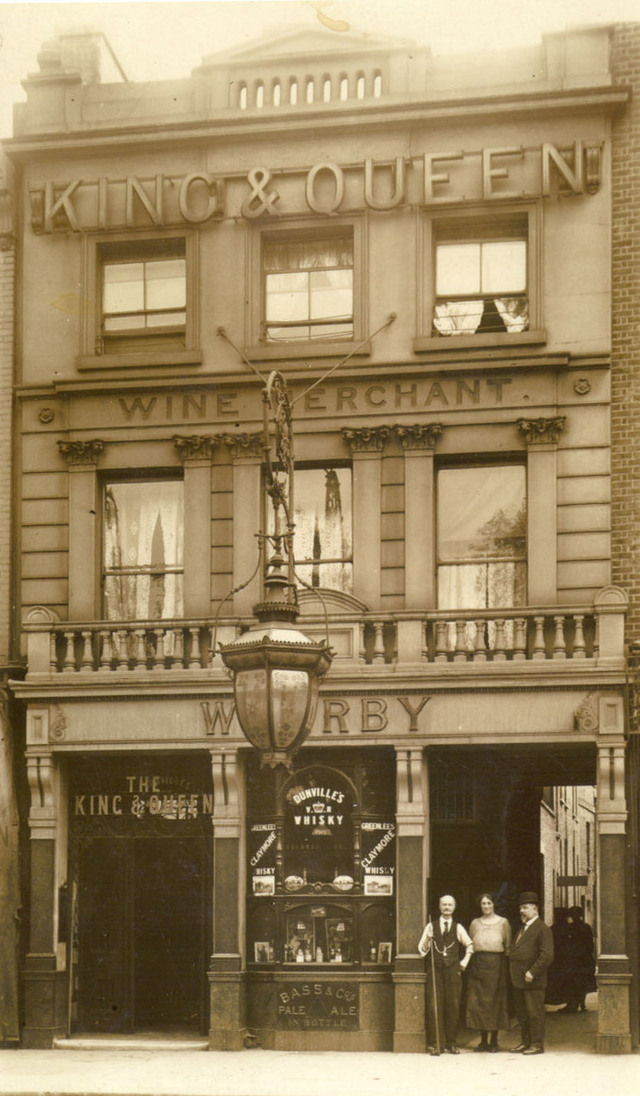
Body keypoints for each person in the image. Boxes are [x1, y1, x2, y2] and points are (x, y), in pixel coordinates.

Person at [418, 894, 473, 1055]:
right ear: (439, 907)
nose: (447, 908)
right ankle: (437, 1044)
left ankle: (451, 1043)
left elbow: (470, 946)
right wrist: (428, 939)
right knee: (435, 1006)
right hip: (435, 971)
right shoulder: (431, 926)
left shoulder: (458, 927)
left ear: (454, 907)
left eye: (450, 905)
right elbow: (421, 950)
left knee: (453, 1007)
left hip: (453, 972)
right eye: (444, 905)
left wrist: (464, 962)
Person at [508, 891, 554, 1055]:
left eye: (525, 908)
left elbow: (547, 955)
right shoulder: (522, 928)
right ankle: (525, 1042)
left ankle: (536, 1044)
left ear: (535, 909)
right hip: (518, 979)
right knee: (522, 1014)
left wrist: (533, 972)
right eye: (521, 908)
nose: (522, 911)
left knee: (535, 1013)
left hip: (532, 980)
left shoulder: (542, 929)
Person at [466, 892, 512, 1052]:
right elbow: (470, 943)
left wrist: (503, 969)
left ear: (494, 905)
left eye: (489, 903)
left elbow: (508, 947)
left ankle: (494, 1041)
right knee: (479, 1003)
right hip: (478, 965)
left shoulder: (503, 923)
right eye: (483, 904)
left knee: (495, 1003)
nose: (486, 906)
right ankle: (483, 1041)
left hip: (496, 966)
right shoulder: (474, 923)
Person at [559, 906, 596, 1013]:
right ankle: (578, 1004)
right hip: (583, 960)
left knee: (575, 982)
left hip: (577, 960)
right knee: (579, 982)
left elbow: (568, 945)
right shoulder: (586, 927)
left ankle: (575, 1004)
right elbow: (590, 945)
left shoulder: (571, 928)